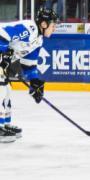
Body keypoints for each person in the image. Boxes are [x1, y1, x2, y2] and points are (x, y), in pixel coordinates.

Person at [0, 8, 56, 142]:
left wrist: (34, 81)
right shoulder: (29, 28)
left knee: (6, 89)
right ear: (44, 24)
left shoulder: (38, 41)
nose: (54, 29)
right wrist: (4, 53)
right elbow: (2, 33)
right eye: (53, 25)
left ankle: (4, 124)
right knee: (1, 89)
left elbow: (29, 65)